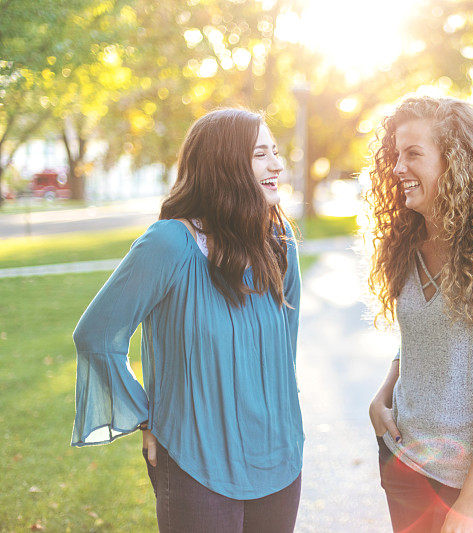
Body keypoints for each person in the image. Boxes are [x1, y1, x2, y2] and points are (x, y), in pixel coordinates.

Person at [70, 108, 303, 532]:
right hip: (196, 459)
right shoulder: (169, 243)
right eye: (260, 154)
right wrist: (144, 417)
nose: (277, 164)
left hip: (279, 458)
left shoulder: (280, 241)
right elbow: (97, 336)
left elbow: (285, 348)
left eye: (275, 151)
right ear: (224, 166)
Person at [367, 96, 473, 533]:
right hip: (404, 462)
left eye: (413, 154)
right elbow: (417, 339)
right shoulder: (409, 242)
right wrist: (383, 395)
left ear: (455, 161)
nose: (397, 168)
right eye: (395, 155)